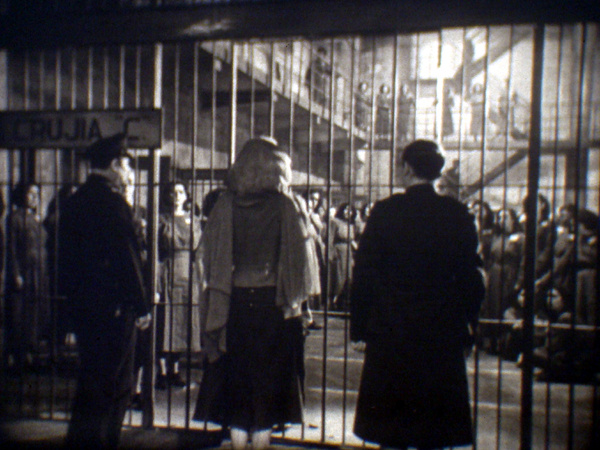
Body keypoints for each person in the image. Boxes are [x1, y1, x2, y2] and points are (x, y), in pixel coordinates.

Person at [350, 139, 485, 450]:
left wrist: (360, 328)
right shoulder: (457, 213)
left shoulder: (385, 212)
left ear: (407, 169)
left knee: (391, 427)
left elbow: (364, 274)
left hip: (391, 329)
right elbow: (473, 278)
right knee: (433, 428)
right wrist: (469, 326)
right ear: (437, 172)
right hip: (441, 330)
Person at [194, 137, 316, 450]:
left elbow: (206, 257)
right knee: (267, 381)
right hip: (272, 303)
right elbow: (300, 262)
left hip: (233, 300)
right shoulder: (285, 205)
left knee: (237, 378)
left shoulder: (225, 204)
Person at [58, 133, 151, 449]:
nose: (129, 173)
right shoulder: (114, 205)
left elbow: (64, 262)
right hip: (115, 309)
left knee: (91, 383)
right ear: (114, 165)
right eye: (127, 165)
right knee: (115, 386)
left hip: (84, 308)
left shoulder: (74, 202)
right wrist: (142, 305)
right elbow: (128, 260)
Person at [155, 180, 202, 389]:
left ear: (186, 196)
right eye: (173, 192)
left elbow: (199, 250)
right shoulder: (161, 220)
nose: (177, 196)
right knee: (165, 322)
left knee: (182, 322)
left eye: (181, 192)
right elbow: (156, 249)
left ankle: (175, 371)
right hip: (167, 271)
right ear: (168, 196)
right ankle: (162, 372)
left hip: (188, 274)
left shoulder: (195, 221)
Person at [4, 181, 49, 371]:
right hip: (24, 271)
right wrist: (15, 273)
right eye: (30, 193)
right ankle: (17, 354)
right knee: (19, 312)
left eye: (36, 194)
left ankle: (30, 352)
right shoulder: (15, 218)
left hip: (38, 271)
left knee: (34, 311)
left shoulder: (35, 218)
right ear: (22, 195)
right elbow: (11, 248)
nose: (34, 198)